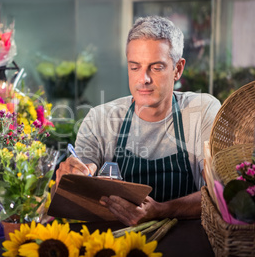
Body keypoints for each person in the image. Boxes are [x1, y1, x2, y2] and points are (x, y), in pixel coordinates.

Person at [55, 16, 221, 226]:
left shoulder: (202, 111)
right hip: (116, 244)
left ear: (178, 69)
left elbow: (220, 193)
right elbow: (73, 193)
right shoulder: (100, 119)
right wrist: (70, 178)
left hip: (186, 242)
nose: (144, 79)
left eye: (156, 67)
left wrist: (163, 210)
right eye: (135, 67)